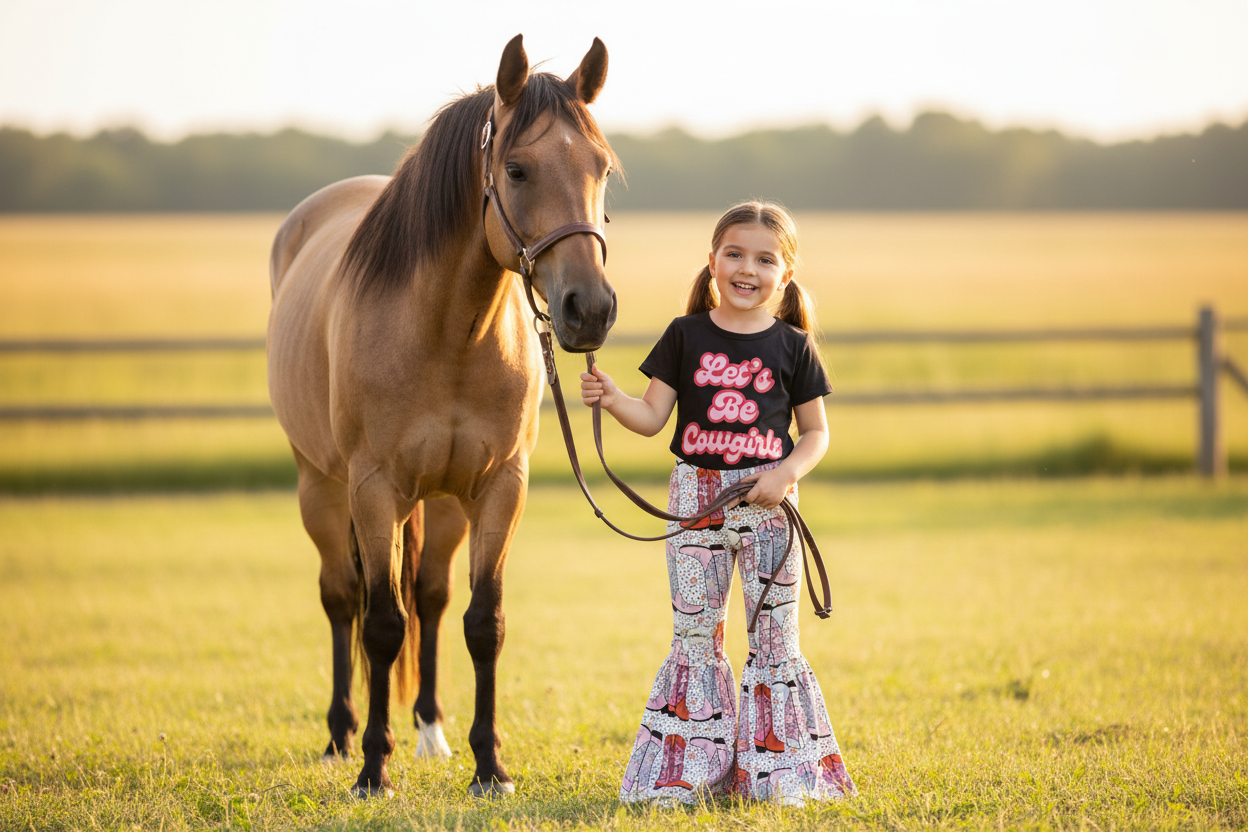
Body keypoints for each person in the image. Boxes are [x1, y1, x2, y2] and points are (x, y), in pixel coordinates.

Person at [580, 201, 856, 807]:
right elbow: (654, 418)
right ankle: (683, 775)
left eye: (764, 259)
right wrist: (612, 397)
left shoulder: (793, 345)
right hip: (695, 499)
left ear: (784, 276)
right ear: (711, 263)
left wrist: (784, 474)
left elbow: (816, 434)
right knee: (696, 637)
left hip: (770, 505)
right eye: (734, 254)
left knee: (775, 638)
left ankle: (781, 775)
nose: (746, 269)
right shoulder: (685, 335)